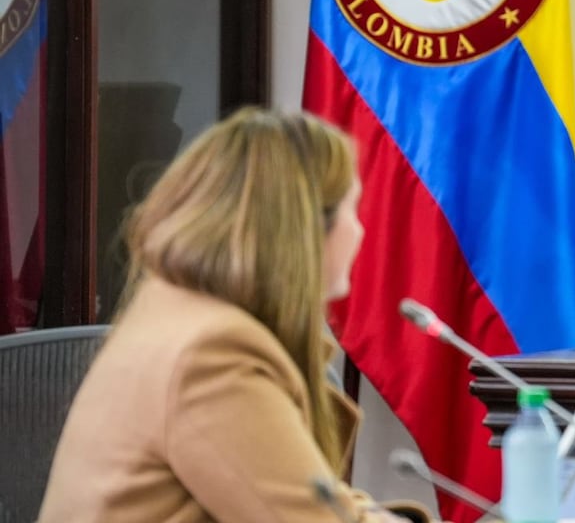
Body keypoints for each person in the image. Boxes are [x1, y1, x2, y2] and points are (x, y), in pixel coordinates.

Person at [39, 108, 430, 522]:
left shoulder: (177, 313)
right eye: (353, 209)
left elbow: (310, 498)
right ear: (303, 229)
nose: (361, 231)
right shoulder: (212, 354)